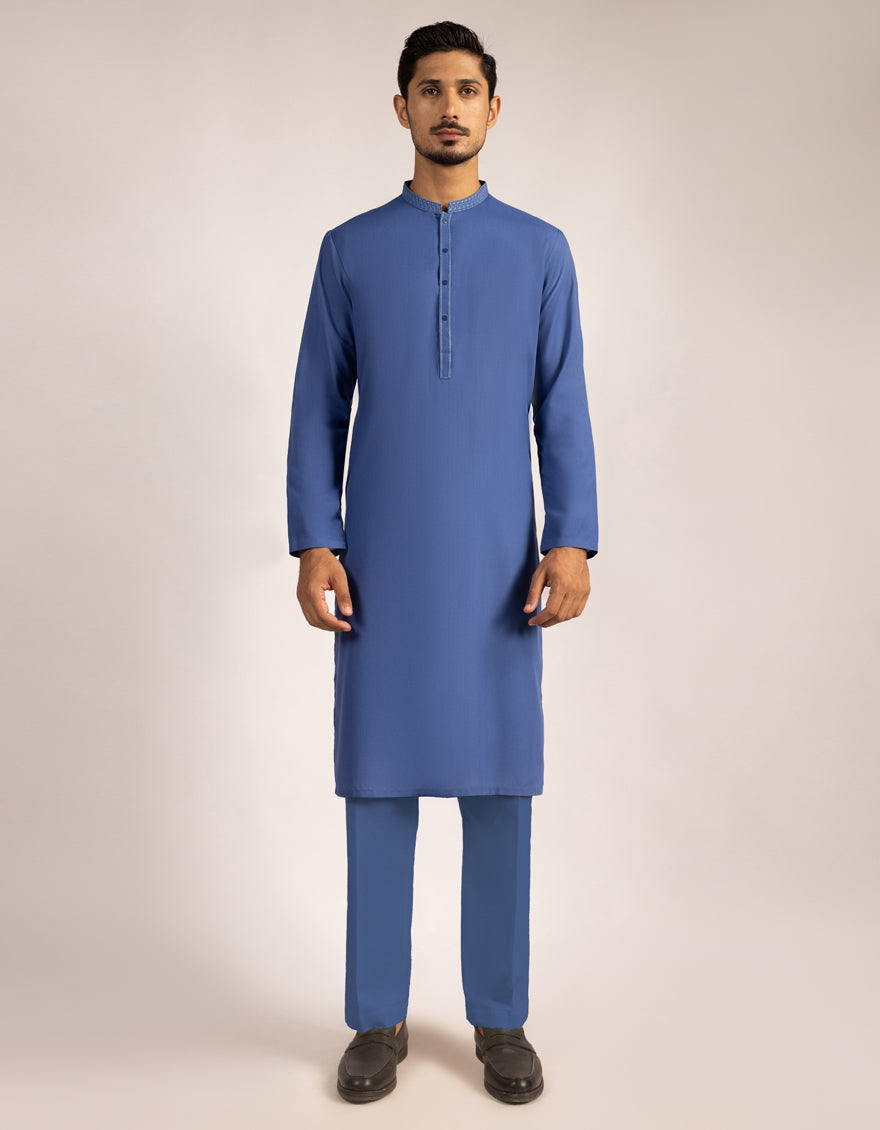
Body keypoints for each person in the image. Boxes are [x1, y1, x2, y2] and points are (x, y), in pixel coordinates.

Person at [286, 20, 598, 1105]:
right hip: (382, 568)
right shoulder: (350, 250)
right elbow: (316, 407)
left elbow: (562, 403)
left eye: (467, 89)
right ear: (402, 108)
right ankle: (376, 1016)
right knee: (376, 783)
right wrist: (316, 540)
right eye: (430, 89)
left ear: (493, 110)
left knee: (501, 785)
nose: (449, 106)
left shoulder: (541, 250)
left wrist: (571, 535)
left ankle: (500, 1018)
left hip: (498, 570)